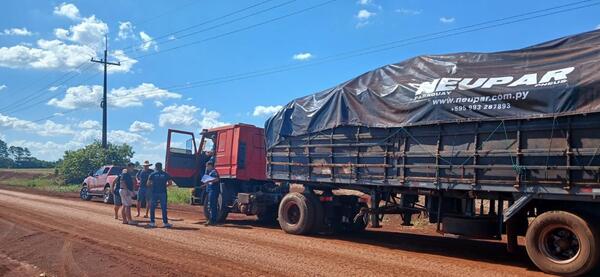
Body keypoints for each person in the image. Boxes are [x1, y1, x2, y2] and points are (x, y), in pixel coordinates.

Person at [147, 162, 173, 228]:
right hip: (163, 192)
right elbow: (170, 183)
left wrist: (152, 186)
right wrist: (165, 186)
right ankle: (165, 222)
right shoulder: (166, 174)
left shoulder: (152, 174)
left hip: (154, 192)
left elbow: (148, 184)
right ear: (161, 167)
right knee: (164, 208)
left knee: (152, 207)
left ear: (156, 167)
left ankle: (152, 222)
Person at [204, 161, 220, 226]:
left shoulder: (214, 172)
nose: (206, 168)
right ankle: (211, 219)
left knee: (213, 205)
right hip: (210, 190)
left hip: (213, 190)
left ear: (210, 166)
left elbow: (217, 179)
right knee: (210, 205)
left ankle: (213, 220)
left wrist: (209, 180)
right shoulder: (210, 172)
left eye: (207, 166)